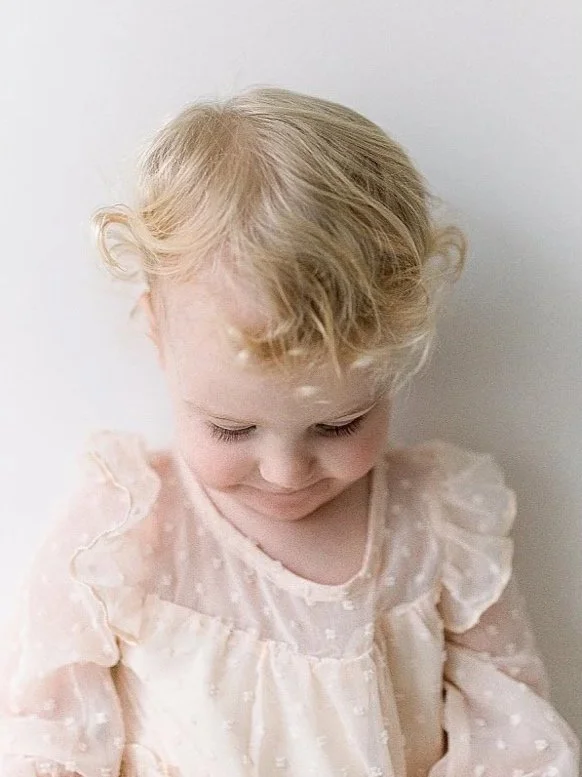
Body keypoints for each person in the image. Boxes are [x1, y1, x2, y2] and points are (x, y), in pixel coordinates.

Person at [0, 86, 579, 777]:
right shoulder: (124, 532)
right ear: (156, 328)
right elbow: (47, 741)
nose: (285, 470)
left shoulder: (441, 525)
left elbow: (516, 746)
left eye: (339, 423)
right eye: (231, 426)